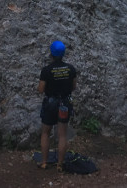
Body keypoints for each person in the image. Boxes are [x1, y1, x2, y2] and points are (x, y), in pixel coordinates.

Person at [38, 40, 77, 172]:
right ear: (63, 53)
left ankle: (44, 162)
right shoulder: (71, 69)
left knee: (45, 132)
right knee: (62, 135)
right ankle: (60, 164)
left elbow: (41, 89)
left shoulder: (46, 70)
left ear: (51, 53)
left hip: (50, 104)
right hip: (64, 104)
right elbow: (73, 87)